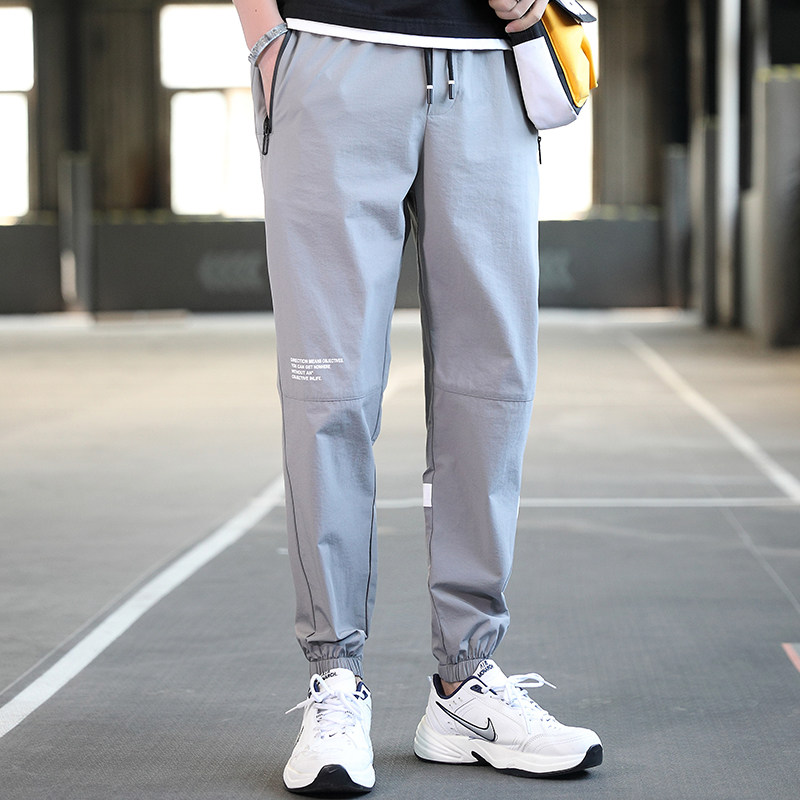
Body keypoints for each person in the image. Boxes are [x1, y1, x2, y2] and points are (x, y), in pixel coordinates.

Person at [232, 0, 602, 794]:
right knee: (327, 390)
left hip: (492, 68)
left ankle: (466, 684)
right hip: (330, 53)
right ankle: (334, 680)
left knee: (490, 388)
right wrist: (266, 39)